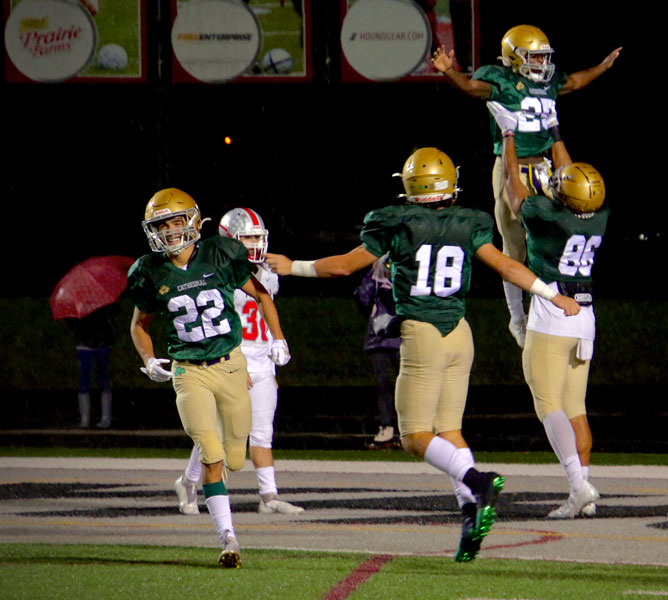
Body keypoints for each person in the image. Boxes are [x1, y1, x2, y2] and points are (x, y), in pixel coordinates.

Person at [265, 147, 581, 562]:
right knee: (448, 430)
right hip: (460, 333)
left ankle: (477, 482)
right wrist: (549, 292)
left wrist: (293, 267)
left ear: (410, 184)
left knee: (413, 436)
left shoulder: (396, 222)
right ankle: (470, 513)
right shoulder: (470, 222)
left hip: (424, 333)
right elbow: (505, 266)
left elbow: (344, 267)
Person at [128, 188, 291, 569]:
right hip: (188, 371)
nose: (168, 232)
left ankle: (190, 484)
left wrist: (278, 337)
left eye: (174, 222)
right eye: (161, 225)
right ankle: (228, 538)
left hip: (231, 364)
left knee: (236, 457)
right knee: (211, 453)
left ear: (192, 221)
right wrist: (150, 360)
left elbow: (262, 294)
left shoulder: (220, 253)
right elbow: (139, 325)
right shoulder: (149, 271)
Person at [432, 25, 620, 347]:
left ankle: (553, 303)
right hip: (511, 168)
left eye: (542, 57)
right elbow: (472, 88)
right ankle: (517, 317)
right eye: (533, 57)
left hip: (547, 168)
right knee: (515, 247)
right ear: (513, 59)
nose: (540, 63)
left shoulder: (546, 83)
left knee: (554, 236)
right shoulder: (502, 80)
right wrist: (451, 72)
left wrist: (602, 68)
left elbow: (574, 82)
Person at [498, 109, 609, 518]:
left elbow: (514, 191)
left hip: (552, 312)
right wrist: (556, 132)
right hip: (586, 316)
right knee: (575, 407)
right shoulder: (599, 214)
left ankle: (579, 488)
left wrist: (509, 136)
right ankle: (583, 491)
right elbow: (572, 177)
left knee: (547, 404)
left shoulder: (546, 216)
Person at [173, 207, 304, 517]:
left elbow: (264, 307)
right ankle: (189, 483)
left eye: (258, 238)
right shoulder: (215, 272)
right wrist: (237, 361)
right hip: (231, 357)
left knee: (262, 432)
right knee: (216, 430)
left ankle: (268, 496)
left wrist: (277, 340)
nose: (255, 245)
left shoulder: (266, 272)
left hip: (262, 361)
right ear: (229, 239)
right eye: (247, 238)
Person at [354, 254, 402, 449]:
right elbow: (361, 296)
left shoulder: (407, 278)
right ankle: (387, 428)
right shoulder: (375, 279)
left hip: (401, 339)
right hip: (380, 340)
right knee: (384, 385)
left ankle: (407, 429)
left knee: (405, 386)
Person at [66, 304, 117, 429]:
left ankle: (103, 418)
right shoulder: (79, 305)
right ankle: (86, 419)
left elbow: (113, 315)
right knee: (86, 382)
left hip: (100, 344)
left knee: (102, 381)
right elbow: (71, 324)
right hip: (87, 344)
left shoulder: (101, 304)